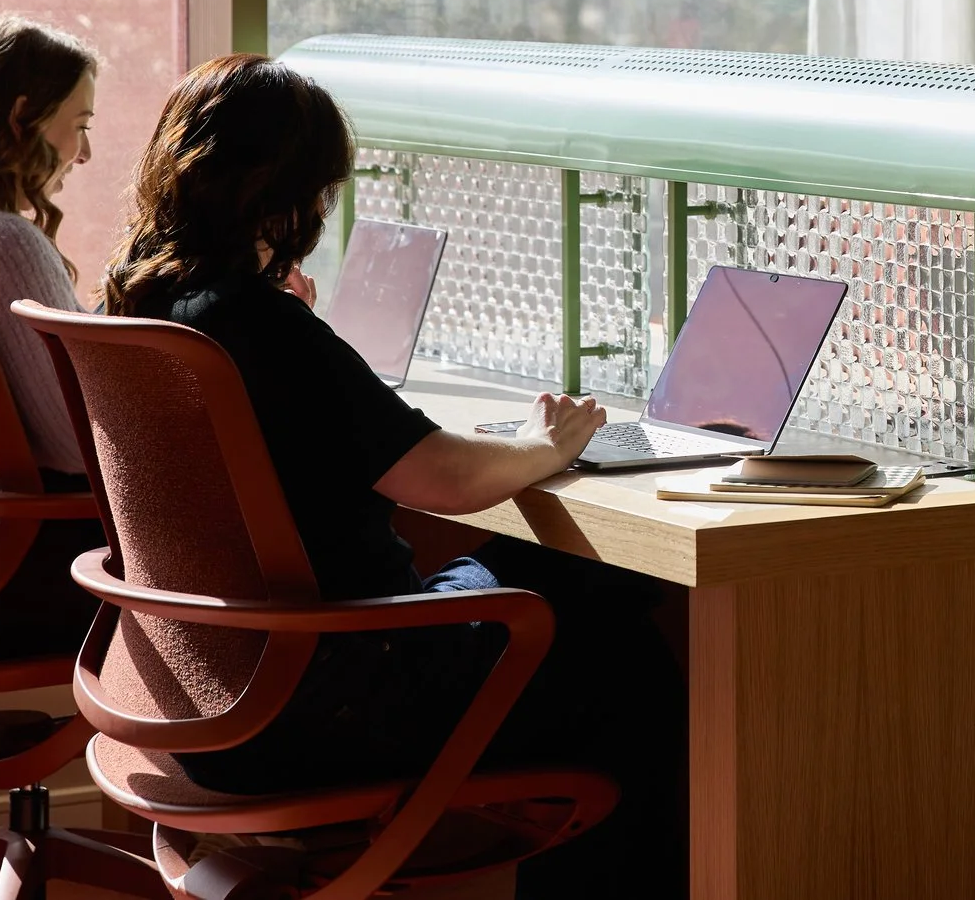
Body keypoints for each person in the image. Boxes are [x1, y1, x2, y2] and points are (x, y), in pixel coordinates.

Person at [101, 54, 684, 897]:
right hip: (332, 695)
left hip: (200, 694)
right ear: (288, 191)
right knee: (616, 644)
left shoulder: (139, 304)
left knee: (565, 582)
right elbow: (445, 479)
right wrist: (545, 444)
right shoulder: (260, 323)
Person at [0, 15, 107, 662]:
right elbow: (82, 444)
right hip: (39, 572)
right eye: (79, 125)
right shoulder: (1, 240)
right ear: (23, 113)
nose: (84, 155)